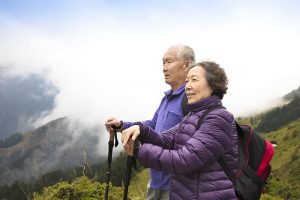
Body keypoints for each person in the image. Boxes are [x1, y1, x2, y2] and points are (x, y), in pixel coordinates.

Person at [122, 61, 239, 200]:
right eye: (187, 81)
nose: (188, 86)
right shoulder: (192, 116)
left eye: (194, 80)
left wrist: (138, 151)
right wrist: (141, 129)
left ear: (213, 85)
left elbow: (183, 161)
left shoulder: (219, 118)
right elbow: (163, 140)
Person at [105, 44, 195, 200]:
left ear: (187, 64)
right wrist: (122, 125)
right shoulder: (167, 98)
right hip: (155, 182)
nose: (164, 68)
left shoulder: (191, 99)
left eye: (169, 62)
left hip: (177, 186)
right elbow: (153, 125)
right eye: (163, 63)